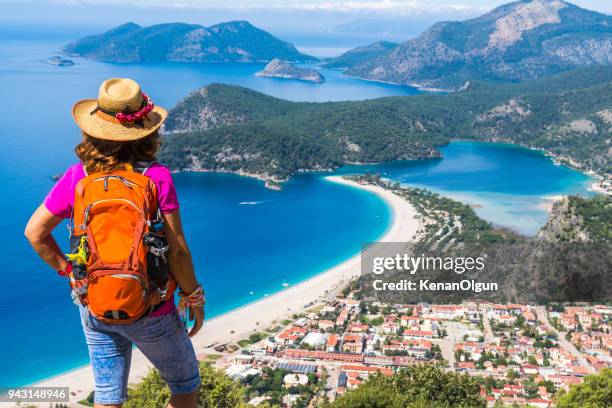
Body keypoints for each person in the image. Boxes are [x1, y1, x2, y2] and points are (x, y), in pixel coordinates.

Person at [25, 78, 204, 408]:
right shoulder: (157, 177)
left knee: (108, 395)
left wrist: (71, 273)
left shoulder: (77, 176)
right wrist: (194, 297)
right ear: (146, 132)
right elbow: (177, 250)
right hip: (153, 309)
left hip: (95, 304)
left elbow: (35, 233)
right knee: (184, 385)